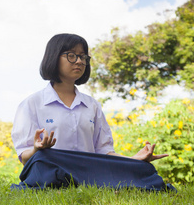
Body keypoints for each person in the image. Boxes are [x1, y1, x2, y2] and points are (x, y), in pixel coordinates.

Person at [11, 33, 168, 166]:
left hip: (90, 177)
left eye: (82, 56)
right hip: (50, 176)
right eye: (71, 56)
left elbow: (104, 152)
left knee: (147, 173)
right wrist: (36, 149)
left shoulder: (91, 106)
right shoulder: (32, 104)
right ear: (53, 58)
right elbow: (23, 156)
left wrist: (135, 160)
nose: (79, 61)